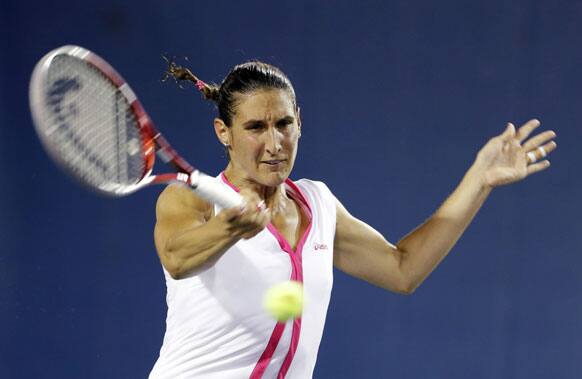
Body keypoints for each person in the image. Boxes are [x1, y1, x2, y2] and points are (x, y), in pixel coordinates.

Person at [148, 61, 557, 379]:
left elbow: (403, 269)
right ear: (224, 132)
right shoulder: (189, 199)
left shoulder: (318, 203)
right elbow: (177, 258)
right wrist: (229, 227)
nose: (274, 143)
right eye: (255, 127)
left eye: (284, 124)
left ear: (299, 122)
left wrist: (479, 181)